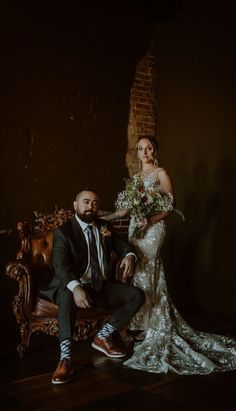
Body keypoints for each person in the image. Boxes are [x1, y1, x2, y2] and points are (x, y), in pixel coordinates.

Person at [102, 135, 236, 375]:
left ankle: (154, 326)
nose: (144, 152)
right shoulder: (134, 179)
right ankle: (140, 326)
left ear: (155, 150)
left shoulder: (160, 172)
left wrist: (149, 220)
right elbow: (125, 209)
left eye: (148, 148)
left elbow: (170, 205)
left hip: (152, 229)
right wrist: (106, 218)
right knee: (136, 272)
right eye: (140, 148)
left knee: (148, 268)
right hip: (135, 227)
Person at [39, 189, 145, 384]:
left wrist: (129, 256)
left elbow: (123, 245)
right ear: (75, 205)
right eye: (85, 202)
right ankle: (65, 359)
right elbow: (61, 265)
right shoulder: (64, 232)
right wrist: (76, 287)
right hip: (70, 286)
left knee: (136, 295)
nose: (90, 207)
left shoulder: (105, 227)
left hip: (99, 287)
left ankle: (102, 337)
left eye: (94, 203)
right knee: (67, 294)